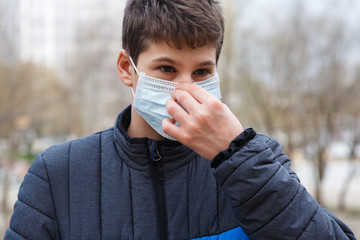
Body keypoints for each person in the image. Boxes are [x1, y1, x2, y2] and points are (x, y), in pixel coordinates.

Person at [5, 0, 357, 239]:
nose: (186, 89)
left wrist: (236, 156)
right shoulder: (57, 174)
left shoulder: (257, 161)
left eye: (202, 71)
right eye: (167, 69)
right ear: (127, 69)